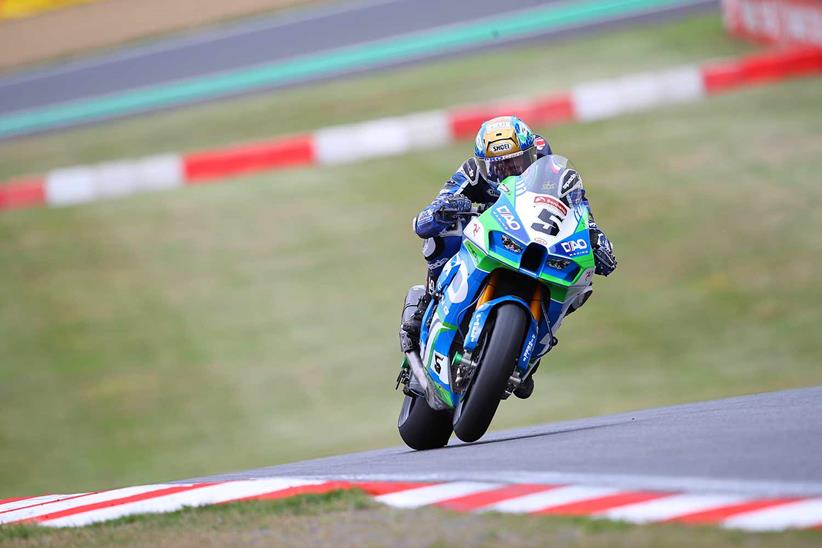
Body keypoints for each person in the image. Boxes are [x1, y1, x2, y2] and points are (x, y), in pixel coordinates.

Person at [399, 115, 617, 398]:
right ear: (484, 164)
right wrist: (441, 211)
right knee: (444, 235)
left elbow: (579, 210)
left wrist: (596, 238)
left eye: (515, 163)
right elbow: (431, 212)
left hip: (534, 237)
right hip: (491, 230)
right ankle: (426, 304)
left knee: (581, 284)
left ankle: (535, 349)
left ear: (531, 154)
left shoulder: (551, 167)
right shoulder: (472, 173)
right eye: (499, 167)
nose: (509, 172)